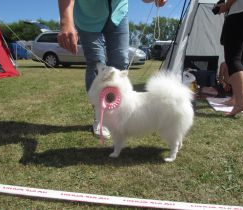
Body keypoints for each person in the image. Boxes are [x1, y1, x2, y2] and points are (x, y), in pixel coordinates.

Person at [57, 0, 167, 138]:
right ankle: (100, 117)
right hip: (87, 16)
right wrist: (66, 22)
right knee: (97, 64)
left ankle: (119, 113)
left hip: (118, 13)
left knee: (120, 61)